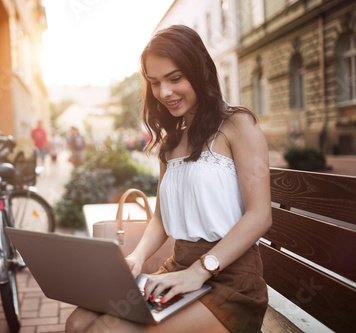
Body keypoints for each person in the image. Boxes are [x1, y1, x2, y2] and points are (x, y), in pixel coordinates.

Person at [65, 25, 272, 333]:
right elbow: (160, 220)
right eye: (155, 83)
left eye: (175, 78)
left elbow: (260, 215)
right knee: (77, 321)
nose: (164, 93)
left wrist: (201, 270)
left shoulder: (238, 125)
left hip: (231, 280)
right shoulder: (170, 143)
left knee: (106, 329)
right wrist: (137, 258)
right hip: (178, 269)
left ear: (199, 71)